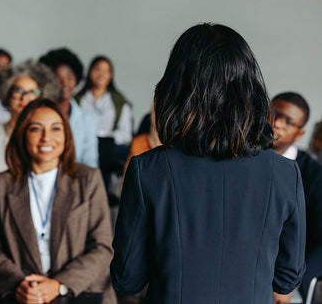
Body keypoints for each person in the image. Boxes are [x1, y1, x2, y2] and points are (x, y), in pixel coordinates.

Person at [111, 23, 306, 304]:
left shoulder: (148, 169)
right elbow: (287, 278)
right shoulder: (286, 174)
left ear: (176, 87)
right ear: (250, 89)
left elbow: (127, 279)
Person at [0, 98, 115, 304]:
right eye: (36, 129)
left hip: (78, 293)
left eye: (55, 129)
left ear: (66, 135)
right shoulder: (2, 184)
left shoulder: (87, 179)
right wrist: (21, 284)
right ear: (23, 134)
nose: (46, 138)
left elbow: (102, 247)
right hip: (22, 295)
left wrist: (59, 285)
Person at [0, 60, 59, 218]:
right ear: (6, 95)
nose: (24, 98)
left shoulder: (51, 140)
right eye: (17, 91)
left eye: (32, 92)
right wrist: (0, 213)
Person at [271, 92, 322, 299]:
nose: (277, 123)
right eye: (272, 113)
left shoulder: (314, 175)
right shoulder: (240, 156)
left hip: (291, 275)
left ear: (299, 134)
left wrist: (290, 282)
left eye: (288, 121)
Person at [75, 56, 132, 195]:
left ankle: (102, 195)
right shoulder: (78, 100)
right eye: (97, 69)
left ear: (111, 75)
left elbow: (126, 134)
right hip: (84, 145)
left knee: (105, 151)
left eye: (106, 70)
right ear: (89, 72)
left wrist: (103, 137)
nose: (101, 74)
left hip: (110, 146)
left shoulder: (119, 101)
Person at [39, 48, 98, 167]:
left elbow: (91, 161)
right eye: (58, 78)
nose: (65, 83)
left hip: (78, 180)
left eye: (69, 77)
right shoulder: (38, 115)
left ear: (77, 80)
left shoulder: (86, 119)